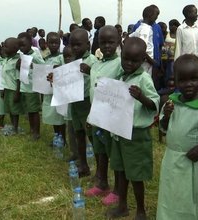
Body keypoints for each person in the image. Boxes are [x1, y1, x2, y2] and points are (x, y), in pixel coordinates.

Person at [156, 54, 198, 220]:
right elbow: (163, 129)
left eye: (194, 79)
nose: (188, 84)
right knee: (172, 191)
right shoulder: (171, 102)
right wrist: (167, 116)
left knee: (195, 193)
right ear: (175, 81)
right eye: (182, 80)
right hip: (172, 159)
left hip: (193, 160)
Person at [106, 37, 159, 220]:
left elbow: (154, 104)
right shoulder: (121, 76)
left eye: (134, 60)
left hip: (136, 135)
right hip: (119, 132)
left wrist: (141, 97)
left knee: (136, 174)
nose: (129, 63)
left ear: (143, 60)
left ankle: (141, 210)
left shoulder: (144, 79)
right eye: (126, 59)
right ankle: (122, 206)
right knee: (120, 171)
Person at [85, 25, 121, 206]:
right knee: (99, 150)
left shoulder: (121, 64)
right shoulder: (96, 64)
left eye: (110, 42)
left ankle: (117, 190)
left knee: (113, 153)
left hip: (112, 118)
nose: (106, 45)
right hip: (97, 115)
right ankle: (102, 182)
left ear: (118, 41)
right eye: (102, 42)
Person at [67, 29, 98, 178]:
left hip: (87, 102)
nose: (75, 48)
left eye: (78, 45)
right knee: (78, 133)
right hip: (74, 101)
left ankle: (99, 168)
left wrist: (90, 71)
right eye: (72, 45)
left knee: (91, 135)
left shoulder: (92, 60)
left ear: (88, 44)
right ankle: (83, 165)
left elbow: (100, 80)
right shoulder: (71, 61)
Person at [17, 32, 45, 140]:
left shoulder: (35, 55)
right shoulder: (22, 55)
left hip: (33, 88)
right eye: (20, 45)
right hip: (25, 86)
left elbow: (43, 66)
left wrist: (32, 65)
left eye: (23, 45)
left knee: (34, 111)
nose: (21, 47)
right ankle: (32, 129)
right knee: (29, 111)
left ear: (30, 43)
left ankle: (36, 132)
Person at [42, 32, 66, 146]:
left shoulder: (61, 57)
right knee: (52, 115)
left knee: (60, 115)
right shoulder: (46, 58)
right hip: (49, 91)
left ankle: (63, 138)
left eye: (56, 43)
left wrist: (59, 69)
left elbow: (67, 70)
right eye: (51, 43)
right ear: (47, 44)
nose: (54, 45)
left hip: (59, 92)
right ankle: (57, 136)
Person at [1, 37, 23, 134]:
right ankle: (12, 126)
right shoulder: (6, 59)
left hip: (14, 89)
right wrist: (3, 89)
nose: (4, 48)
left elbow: (19, 78)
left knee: (14, 110)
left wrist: (17, 92)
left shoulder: (18, 61)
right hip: (6, 87)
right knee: (9, 108)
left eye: (6, 46)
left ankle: (15, 127)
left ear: (14, 48)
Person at [130, 5, 158, 74]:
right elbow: (141, 48)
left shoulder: (139, 28)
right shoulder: (146, 29)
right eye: (156, 15)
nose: (156, 18)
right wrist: (151, 61)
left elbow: (126, 39)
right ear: (150, 15)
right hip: (145, 63)